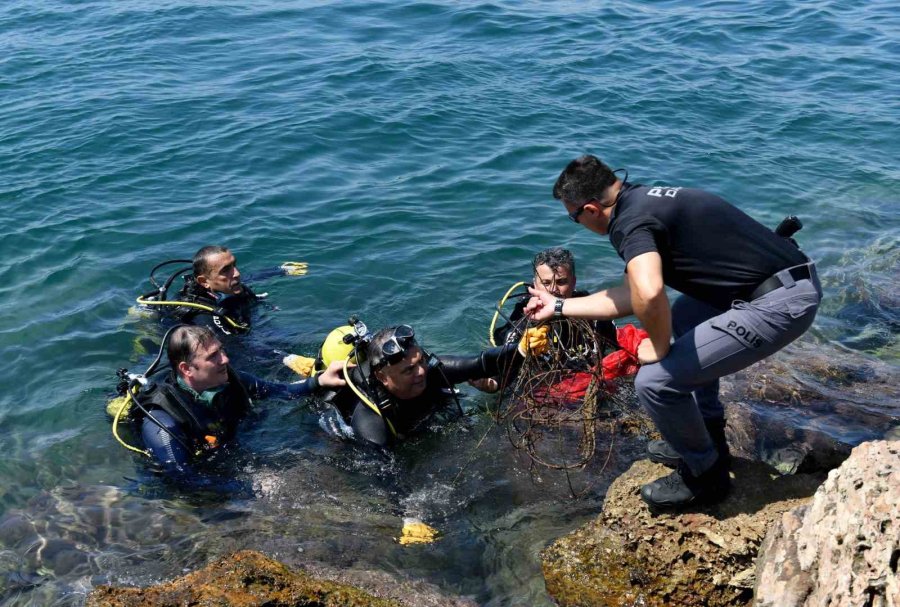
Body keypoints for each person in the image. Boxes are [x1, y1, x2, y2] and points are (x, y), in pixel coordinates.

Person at [525, 155, 821, 511]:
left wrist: (660, 346)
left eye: (574, 217)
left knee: (654, 382)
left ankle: (705, 476)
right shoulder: (645, 201)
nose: (578, 223)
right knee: (684, 315)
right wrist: (556, 307)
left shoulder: (629, 224)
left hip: (779, 302)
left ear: (589, 209)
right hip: (782, 280)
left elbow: (649, 294)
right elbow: (629, 296)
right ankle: (707, 435)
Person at [131, 325, 346, 479]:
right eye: (213, 356)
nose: (225, 359)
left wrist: (319, 381)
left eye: (221, 350)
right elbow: (182, 478)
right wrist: (250, 487)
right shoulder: (164, 423)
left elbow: (278, 391)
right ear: (187, 369)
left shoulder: (231, 379)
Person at [322, 324, 548, 448]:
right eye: (408, 370)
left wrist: (520, 350)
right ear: (382, 377)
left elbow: (480, 363)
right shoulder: (370, 420)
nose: (421, 371)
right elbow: (383, 476)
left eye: (420, 360)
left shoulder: (431, 371)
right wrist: (409, 517)